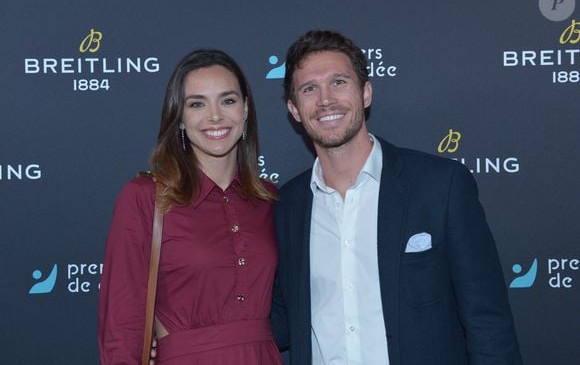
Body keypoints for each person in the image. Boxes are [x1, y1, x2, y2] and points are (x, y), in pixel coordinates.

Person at [271, 30, 523, 365]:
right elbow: (277, 321)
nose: (325, 99)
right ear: (295, 109)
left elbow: (487, 320)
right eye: (309, 89)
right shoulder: (287, 207)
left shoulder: (440, 186)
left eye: (339, 82)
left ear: (366, 93)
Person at [98, 49, 282, 365]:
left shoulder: (269, 199)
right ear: (179, 118)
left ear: (246, 109)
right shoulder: (144, 198)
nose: (215, 116)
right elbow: (122, 321)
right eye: (197, 104)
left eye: (228, 100)